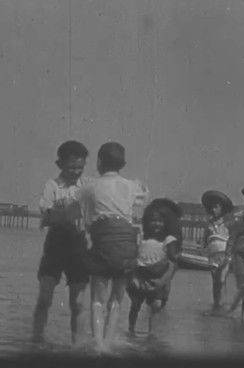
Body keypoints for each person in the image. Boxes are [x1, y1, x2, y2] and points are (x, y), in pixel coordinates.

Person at [72, 142, 148, 353]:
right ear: (122, 164)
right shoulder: (133, 186)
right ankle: (110, 341)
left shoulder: (90, 186)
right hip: (127, 245)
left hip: (104, 243)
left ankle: (99, 345)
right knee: (117, 298)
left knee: (98, 299)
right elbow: (141, 199)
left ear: (99, 162)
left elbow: (86, 217)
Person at [32, 140, 90, 346]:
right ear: (60, 164)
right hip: (55, 245)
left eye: (80, 167)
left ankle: (77, 346)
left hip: (79, 247)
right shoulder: (52, 185)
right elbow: (46, 211)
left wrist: (62, 213)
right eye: (71, 166)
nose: (76, 171)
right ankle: (36, 341)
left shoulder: (88, 188)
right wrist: (64, 213)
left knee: (78, 303)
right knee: (44, 298)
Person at [126, 198, 181, 335]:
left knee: (156, 305)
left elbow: (173, 262)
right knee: (135, 304)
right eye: (153, 220)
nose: (156, 224)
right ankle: (131, 330)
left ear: (166, 223)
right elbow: (133, 258)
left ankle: (152, 333)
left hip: (158, 276)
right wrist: (133, 277)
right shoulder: (142, 237)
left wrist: (164, 280)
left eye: (160, 221)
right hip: (139, 274)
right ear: (146, 221)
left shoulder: (168, 240)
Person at [201, 190, 234, 315]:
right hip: (213, 257)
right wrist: (204, 249)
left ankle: (221, 303)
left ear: (222, 209)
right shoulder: (208, 225)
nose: (214, 209)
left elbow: (232, 238)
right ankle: (216, 303)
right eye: (212, 207)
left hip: (225, 255)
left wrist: (230, 252)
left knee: (221, 280)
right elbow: (205, 240)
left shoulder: (228, 224)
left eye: (217, 207)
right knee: (215, 281)